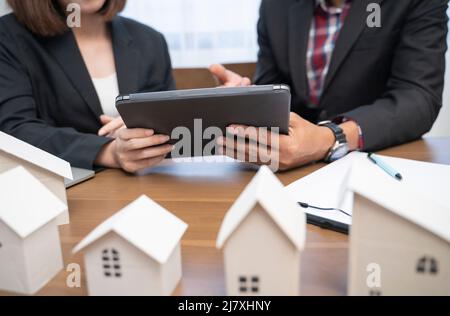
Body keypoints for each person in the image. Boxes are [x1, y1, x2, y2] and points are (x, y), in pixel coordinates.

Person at [210, 0, 448, 171]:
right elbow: (274, 88)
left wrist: (330, 137)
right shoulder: (275, 7)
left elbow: (418, 96)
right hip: (293, 173)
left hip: (378, 163)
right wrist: (245, 104)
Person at [0, 0, 175, 173]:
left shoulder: (150, 40)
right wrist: (108, 151)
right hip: (59, 192)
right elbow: (15, 130)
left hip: (147, 186)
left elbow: (172, 129)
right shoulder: (8, 37)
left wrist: (141, 129)